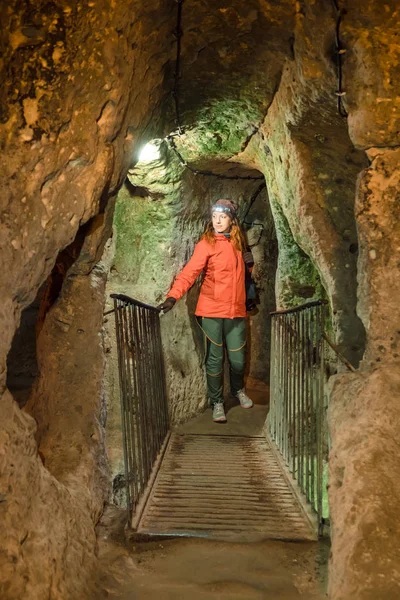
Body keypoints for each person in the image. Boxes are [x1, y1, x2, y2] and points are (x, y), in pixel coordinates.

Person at [158, 198, 255, 423]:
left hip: (236, 311)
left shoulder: (240, 243)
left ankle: (237, 389)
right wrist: (173, 296)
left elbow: (246, 273)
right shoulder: (206, 244)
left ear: (232, 220)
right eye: (214, 217)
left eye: (222, 217)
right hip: (211, 310)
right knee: (215, 358)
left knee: (238, 359)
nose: (218, 221)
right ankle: (216, 401)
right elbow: (190, 272)